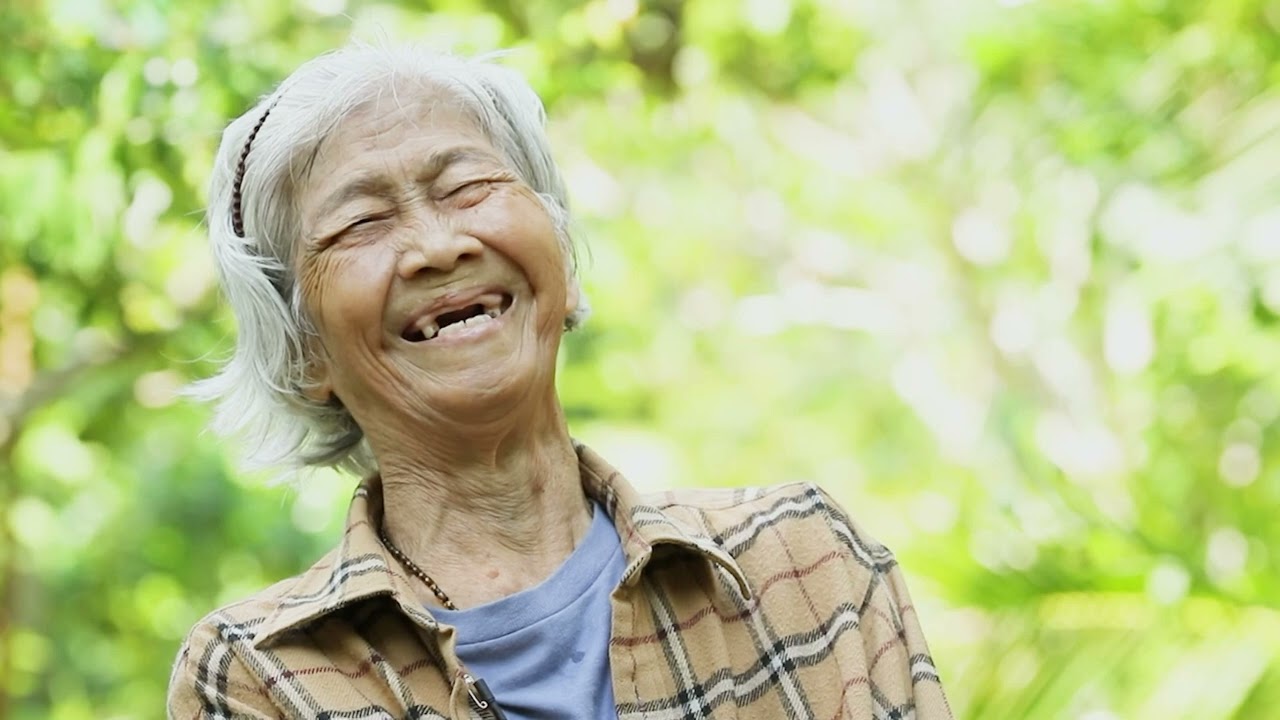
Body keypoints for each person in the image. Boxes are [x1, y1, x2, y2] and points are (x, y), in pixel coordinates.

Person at [167, 42, 953, 720]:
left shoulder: (801, 560)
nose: (438, 246)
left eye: (468, 186)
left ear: (565, 265)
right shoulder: (265, 672)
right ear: (303, 351)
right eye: (361, 223)